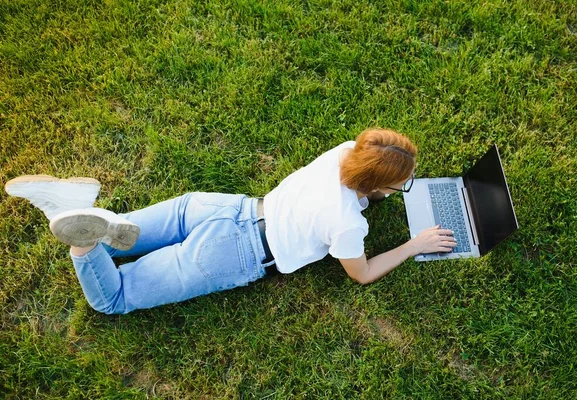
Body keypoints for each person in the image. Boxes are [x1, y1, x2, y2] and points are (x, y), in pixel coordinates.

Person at [5, 128, 457, 314]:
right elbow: (363, 274)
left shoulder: (342, 152)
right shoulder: (346, 226)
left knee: (124, 230)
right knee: (114, 298)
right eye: (403, 183)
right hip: (231, 255)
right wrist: (414, 244)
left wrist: (377, 187)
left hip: (221, 207)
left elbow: (361, 188)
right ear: (376, 183)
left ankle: (73, 204)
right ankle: (83, 244)